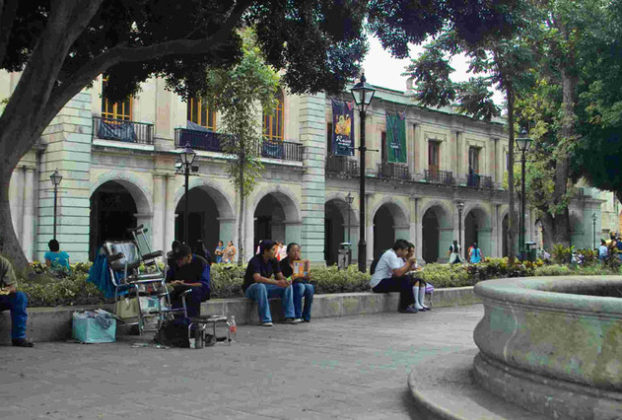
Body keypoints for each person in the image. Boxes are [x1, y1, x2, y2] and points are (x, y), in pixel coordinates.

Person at [243, 239, 299, 326]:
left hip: (266, 288)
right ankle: (266, 319)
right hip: (252, 289)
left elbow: (280, 276)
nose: (275, 252)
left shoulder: (274, 260)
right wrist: (277, 282)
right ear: (265, 251)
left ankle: (289, 316)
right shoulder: (255, 260)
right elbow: (257, 278)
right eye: (273, 250)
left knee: (288, 287)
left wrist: (287, 280)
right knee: (260, 286)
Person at [370, 239, 420, 313]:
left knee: (410, 279)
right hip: (378, 284)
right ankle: (404, 307)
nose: (406, 253)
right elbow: (398, 273)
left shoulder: (394, 255)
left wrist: (409, 267)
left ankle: (411, 304)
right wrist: (408, 263)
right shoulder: (391, 255)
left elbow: (398, 273)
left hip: (384, 281)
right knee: (405, 280)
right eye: (405, 250)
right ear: (400, 249)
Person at [166, 244, 210, 318]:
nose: (178, 262)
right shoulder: (175, 264)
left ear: (189, 257)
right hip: (179, 290)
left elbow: (203, 284)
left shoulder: (200, 262)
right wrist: (172, 284)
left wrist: (184, 284)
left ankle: (193, 322)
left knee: (193, 292)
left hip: (197, 290)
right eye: (176, 259)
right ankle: (177, 322)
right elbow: (168, 281)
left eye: (180, 259)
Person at [0, 254, 34, 347]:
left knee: (19, 297)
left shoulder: (3, 262)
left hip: (1, 295)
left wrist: (1, 291)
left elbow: (12, 287)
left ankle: (18, 338)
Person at [280, 243, 314, 322]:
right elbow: (282, 278)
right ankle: (297, 315)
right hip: (291, 285)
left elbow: (307, 278)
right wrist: (294, 275)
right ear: (288, 252)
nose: (296, 253)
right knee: (300, 286)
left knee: (310, 287)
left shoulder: (300, 262)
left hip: (302, 283)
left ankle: (306, 316)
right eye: (293, 251)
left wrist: (306, 270)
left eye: (298, 251)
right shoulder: (283, 263)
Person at [404, 242, 428, 311]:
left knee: (422, 282)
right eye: (410, 251)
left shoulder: (413, 259)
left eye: (413, 251)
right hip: (404, 277)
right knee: (416, 281)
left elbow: (415, 268)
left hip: (410, 276)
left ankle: (421, 302)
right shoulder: (403, 259)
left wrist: (415, 266)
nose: (412, 253)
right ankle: (416, 303)